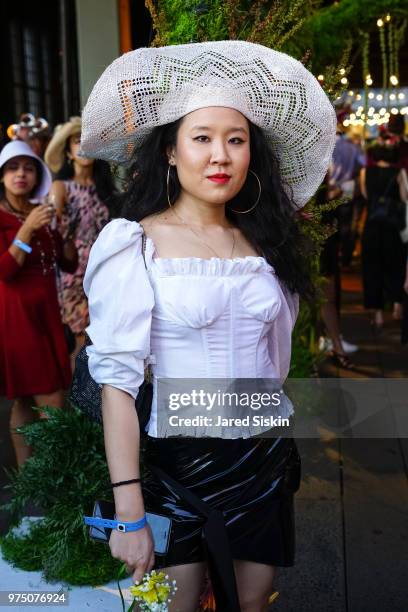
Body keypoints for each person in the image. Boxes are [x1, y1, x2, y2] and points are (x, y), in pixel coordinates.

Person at [80, 41, 336, 611]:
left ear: (252, 154)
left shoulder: (266, 244)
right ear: (170, 151)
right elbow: (118, 385)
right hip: (175, 465)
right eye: (202, 138)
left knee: (253, 602)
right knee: (176, 605)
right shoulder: (134, 243)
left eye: (236, 139)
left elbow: (276, 365)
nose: (220, 154)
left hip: (262, 460)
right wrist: (129, 511)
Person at [0, 141, 78, 467]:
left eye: (28, 167)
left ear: (37, 176)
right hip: (18, 318)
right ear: (2, 176)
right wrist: (28, 229)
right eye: (13, 168)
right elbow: (6, 270)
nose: (21, 174)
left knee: (24, 402)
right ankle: (57, 486)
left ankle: (28, 488)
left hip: (47, 314)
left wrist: (63, 224)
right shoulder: (6, 218)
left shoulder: (40, 213)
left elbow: (68, 263)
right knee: (52, 401)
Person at [44, 117, 116, 368]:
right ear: (68, 152)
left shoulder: (105, 188)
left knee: (102, 335)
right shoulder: (60, 187)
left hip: (104, 269)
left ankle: (97, 399)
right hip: (73, 270)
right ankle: (77, 403)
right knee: (79, 338)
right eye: (77, 142)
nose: (83, 147)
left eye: (88, 142)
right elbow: (53, 231)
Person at [359, 140, 408, 330]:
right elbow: (405, 197)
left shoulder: (365, 172)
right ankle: (397, 307)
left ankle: (377, 314)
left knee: (371, 267)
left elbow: (364, 195)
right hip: (392, 227)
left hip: (371, 225)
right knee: (395, 264)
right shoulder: (399, 173)